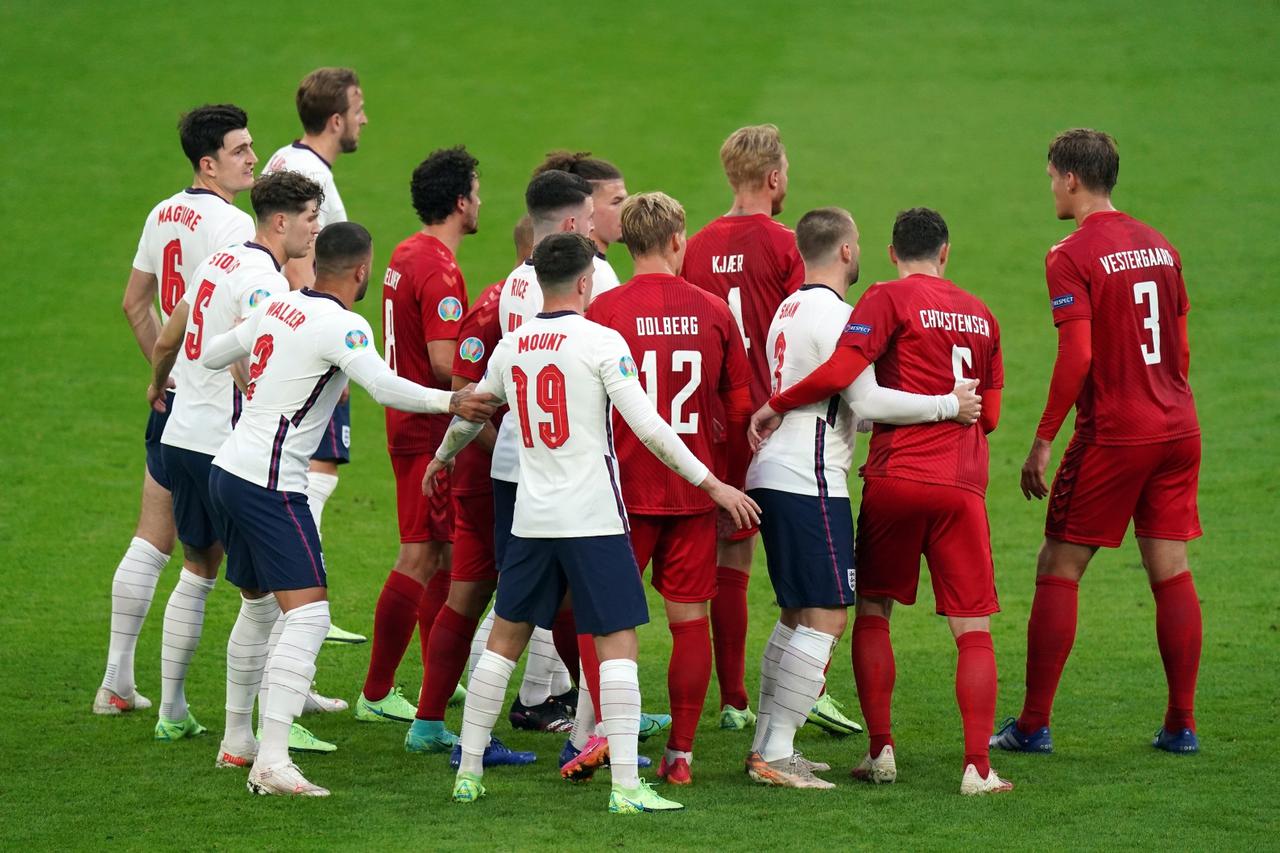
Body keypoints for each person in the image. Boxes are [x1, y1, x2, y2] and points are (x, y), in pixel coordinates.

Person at [428, 232, 760, 813]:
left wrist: (441, 458)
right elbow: (653, 429)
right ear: (585, 282)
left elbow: (473, 411)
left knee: (504, 641)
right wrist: (713, 483)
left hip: (531, 518)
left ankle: (469, 771)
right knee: (618, 645)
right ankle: (627, 786)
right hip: (594, 518)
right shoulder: (603, 343)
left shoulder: (513, 347)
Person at [199, 222, 496, 797]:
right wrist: (452, 400)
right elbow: (384, 387)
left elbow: (213, 354)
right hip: (270, 484)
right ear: (361, 272)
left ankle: (239, 741)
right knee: (308, 615)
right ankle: (273, 761)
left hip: (227, 469)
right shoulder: (342, 325)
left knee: (260, 608)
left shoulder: (279, 305)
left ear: (316, 262)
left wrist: (259, 376)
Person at [752, 207, 1010, 796]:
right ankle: (978, 767)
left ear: (893, 254)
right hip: (960, 481)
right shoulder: (984, 314)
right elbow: (987, 415)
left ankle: (879, 752)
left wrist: (776, 402)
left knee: (870, 612)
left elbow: (851, 376)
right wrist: (949, 405)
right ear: (946, 252)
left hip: (893, 478)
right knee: (972, 630)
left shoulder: (878, 301)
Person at [992, 129, 1203, 756]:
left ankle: (1031, 725)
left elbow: (1078, 354)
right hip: (1178, 427)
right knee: (1171, 571)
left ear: (1072, 180)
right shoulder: (1161, 246)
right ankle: (1181, 724)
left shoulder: (1071, 253)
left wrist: (1041, 440)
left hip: (1117, 431)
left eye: (1052, 176)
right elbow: (1182, 346)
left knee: (1059, 566)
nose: (1050, 186)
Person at [682, 124, 857, 735]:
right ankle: (806, 691)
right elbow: (802, 327)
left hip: (710, 421)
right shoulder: (788, 246)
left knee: (725, 554)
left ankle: (734, 699)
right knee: (768, 560)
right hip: (778, 422)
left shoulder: (697, 245)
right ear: (774, 178)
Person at [146, 170, 322, 743]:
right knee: (265, 593)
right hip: (227, 450)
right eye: (309, 218)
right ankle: (255, 731)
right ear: (280, 221)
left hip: (180, 436)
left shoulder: (216, 262)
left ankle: (172, 711)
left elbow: (169, 336)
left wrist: (158, 385)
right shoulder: (266, 284)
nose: (315, 230)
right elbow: (254, 360)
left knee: (196, 570)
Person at [581, 191, 752, 785]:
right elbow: (738, 412)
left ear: (626, 245)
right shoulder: (712, 311)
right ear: (679, 240)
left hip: (621, 493)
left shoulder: (603, 311)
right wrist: (721, 482)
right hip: (693, 492)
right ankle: (680, 753)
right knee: (689, 622)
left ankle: (607, 733)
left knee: (602, 617)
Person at [94, 104, 256, 716]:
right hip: (216, 412)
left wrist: (163, 377)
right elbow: (237, 331)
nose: (252, 158)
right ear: (208, 162)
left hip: (174, 403)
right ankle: (251, 713)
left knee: (149, 539)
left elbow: (136, 304)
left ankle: (116, 682)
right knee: (227, 566)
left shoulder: (162, 212)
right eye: (240, 150)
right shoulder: (234, 229)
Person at [412, 217, 578, 755]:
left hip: (495, 475)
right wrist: (520, 449)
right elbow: (465, 394)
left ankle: (432, 723)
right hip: (501, 481)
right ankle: (597, 721)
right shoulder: (499, 307)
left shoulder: (493, 302)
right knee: (553, 596)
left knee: (478, 594)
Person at [356, 147, 479, 728]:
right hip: (429, 430)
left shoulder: (407, 252)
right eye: (476, 191)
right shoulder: (440, 268)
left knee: (449, 553)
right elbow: (440, 362)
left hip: (408, 426)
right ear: (460, 202)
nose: (481, 200)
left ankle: (438, 679)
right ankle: (377, 690)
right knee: (421, 554)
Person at [262, 68, 369, 644]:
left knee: (306, 471)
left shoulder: (286, 158)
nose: (364, 119)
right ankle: (300, 614)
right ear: (336, 120)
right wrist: (329, 342)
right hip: (308, 342)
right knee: (311, 472)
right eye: (358, 109)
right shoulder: (310, 176)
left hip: (284, 335)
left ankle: (299, 615)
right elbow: (301, 260)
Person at [532, 150, 627, 294]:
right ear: (587, 205)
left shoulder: (537, 269)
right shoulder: (594, 274)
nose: (628, 210)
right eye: (617, 202)